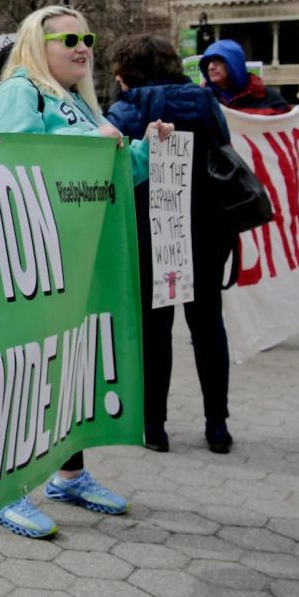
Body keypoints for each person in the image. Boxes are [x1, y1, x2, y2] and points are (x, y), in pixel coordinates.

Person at [0, 5, 173, 538]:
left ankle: (68, 475)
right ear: (39, 46)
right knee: (21, 375)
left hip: (75, 263)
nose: (82, 47)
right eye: (69, 40)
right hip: (27, 264)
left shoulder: (79, 106)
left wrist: (147, 150)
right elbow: (6, 160)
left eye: (86, 37)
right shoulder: (20, 92)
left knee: (68, 371)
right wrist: (93, 145)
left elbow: (115, 170)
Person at [106, 34, 235, 455]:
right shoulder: (202, 101)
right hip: (206, 229)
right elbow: (222, 147)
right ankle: (217, 424)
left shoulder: (126, 109)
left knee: (154, 329)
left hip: (149, 231)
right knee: (208, 325)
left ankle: (154, 425)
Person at [199, 39, 291, 115]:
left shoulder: (270, 98)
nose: (211, 67)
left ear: (234, 64)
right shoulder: (201, 98)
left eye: (218, 61)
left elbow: (290, 127)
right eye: (208, 63)